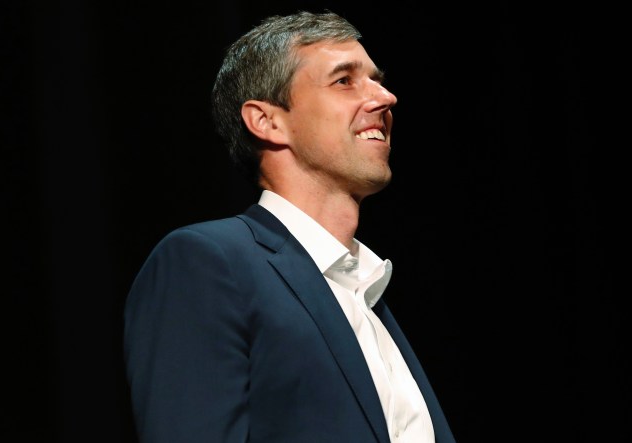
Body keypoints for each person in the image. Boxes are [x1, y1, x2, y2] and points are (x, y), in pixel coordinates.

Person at [123, 10, 456, 443]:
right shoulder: (208, 261)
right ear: (267, 121)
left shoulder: (366, 294)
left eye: (377, 79)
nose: (385, 97)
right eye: (344, 80)